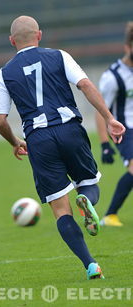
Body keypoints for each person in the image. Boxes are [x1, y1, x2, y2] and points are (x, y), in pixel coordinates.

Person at [0, 16, 125, 279]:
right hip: (69, 129)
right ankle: (87, 199)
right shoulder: (59, 56)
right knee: (88, 183)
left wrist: (15, 142)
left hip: (38, 140)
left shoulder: (4, 73)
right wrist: (110, 119)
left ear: (12, 41)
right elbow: (85, 85)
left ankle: (90, 264)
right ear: (39, 35)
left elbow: (0, 121)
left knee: (60, 210)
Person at [96, 21, 133, 227]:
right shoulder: (113, 77)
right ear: (127, 47)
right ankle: (110, 216)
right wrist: (104, 144)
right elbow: (101, 111)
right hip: (126, 131)